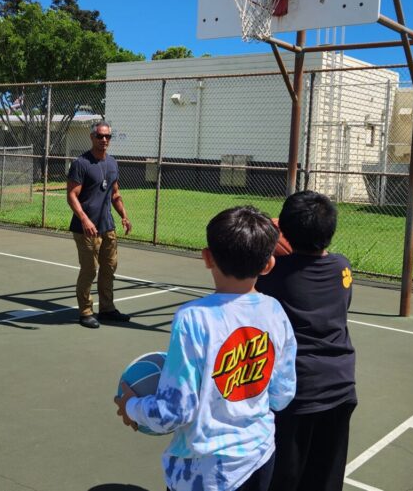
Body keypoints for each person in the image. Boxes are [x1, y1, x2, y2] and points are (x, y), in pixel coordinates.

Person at [115, 206, 298, 491]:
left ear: (207, 257)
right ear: (268, 265)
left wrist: (133, 406)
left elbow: (174, 412)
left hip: (204, 473)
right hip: (260, 457)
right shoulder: (275, 311)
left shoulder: (193, 318)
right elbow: (282, 395)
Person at [255, 191, 357, 491]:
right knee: (325, 478)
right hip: (341, 387)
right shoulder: (343, 268)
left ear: (284, 230)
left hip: (296, 395)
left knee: (283, 478)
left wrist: (271, 233)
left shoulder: (273, 275)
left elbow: (256, 265)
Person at [67, 121, 132, 329]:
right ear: (92, 137)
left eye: (107, 137)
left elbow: (115, 193)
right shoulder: (81, 163)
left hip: (107, 226)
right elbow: (71, 195)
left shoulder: (112, 163)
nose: (104, 140)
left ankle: (107, 309)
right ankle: (85, 312)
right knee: (89, 270)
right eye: (100, 136)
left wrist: (123, 215)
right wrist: (85, 219)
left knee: (109, 268)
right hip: (86, 228)